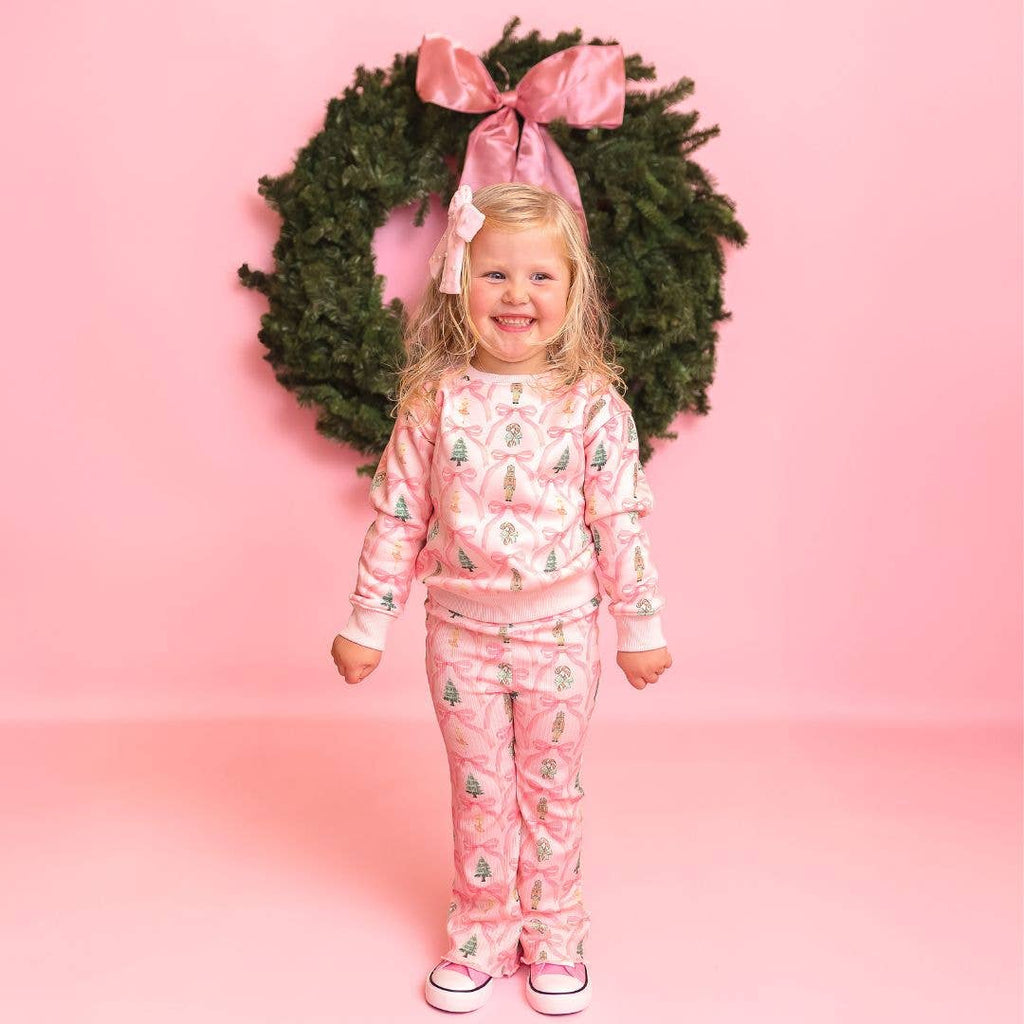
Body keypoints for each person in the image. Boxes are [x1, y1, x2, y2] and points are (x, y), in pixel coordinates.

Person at [331, 182, 673, 1014]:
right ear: (459, 280)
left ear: (572, 288)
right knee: (480, 787)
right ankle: (482, 931)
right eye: (495, 275)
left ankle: (554, 933)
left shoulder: (593, 405)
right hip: (460, 636)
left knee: (552, 784)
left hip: (561, 633)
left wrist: (640, 626)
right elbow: (400, 515)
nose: (516, 295)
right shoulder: (432, 401)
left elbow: (620, 519)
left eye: (539, 278)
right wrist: (366, 622)